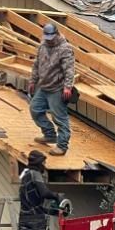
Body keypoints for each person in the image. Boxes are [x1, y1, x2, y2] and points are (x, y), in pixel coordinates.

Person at [28, 23, 75, 156]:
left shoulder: (65, 49)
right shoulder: (43, 46)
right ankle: (49, 135)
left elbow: (69, 70)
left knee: (60, 118)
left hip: (57, 88)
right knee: (35, 109)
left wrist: (67, 87)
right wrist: (33, 81)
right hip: (44, 86)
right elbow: (36, 65)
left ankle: (62, 146)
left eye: (51, 37)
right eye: (47, 37)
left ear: (56, 34)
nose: (49, 40)